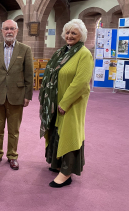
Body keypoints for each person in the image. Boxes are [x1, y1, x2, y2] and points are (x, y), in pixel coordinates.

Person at [39, 19, 94, 188]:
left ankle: (66, 172)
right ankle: (57, 163)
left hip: (72, 103)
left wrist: (65, 102)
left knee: (69, 133)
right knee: (56, 130)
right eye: (67, 33)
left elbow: (81, 82)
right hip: (56, 100)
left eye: (74, 33)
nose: (69, 36)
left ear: (81, 35)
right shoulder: (61, 52)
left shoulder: (84, 53)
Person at [0, 19, 34, 170]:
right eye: (6, 29)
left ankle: (12, 156)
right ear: (2, 31)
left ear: (17, 31)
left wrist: (28, 96)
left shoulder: (25, 50)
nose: (9, 31)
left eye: (12, 28)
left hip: (16, 95)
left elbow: (29, 76)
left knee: (14, 130)